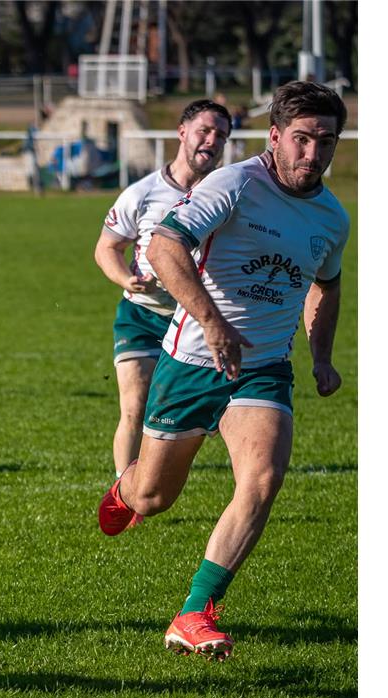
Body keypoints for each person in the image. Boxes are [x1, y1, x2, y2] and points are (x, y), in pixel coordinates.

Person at [97, 81, 349, 661]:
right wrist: (211, 323)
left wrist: (321, 357)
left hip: (264, 367)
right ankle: (125, 487)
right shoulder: (234, 184)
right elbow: (163, 247)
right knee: (154, 497)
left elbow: (325, 286)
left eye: (326, 142)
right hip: (191, 361)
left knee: (262, 479)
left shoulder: (333, 218)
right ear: (276, 136)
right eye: (303, 140)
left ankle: (195, 611)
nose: (313, 156)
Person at [94, 100, 232, 482]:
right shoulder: (142, 193)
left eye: (220, 135)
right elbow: (106, 248)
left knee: (214, 415)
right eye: (205, 130)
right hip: (142, 315)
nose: (212, 140)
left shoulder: (228, 194)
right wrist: (126, 279)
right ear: (182, 132)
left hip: (197, 323)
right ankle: (124, 493)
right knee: (134, 408)